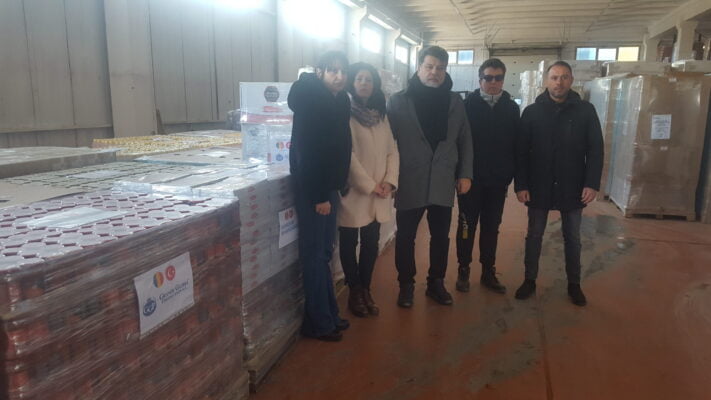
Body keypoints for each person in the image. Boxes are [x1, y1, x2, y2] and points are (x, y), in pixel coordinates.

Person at [387, 46, 473, 308]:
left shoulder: (454, 102)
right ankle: (406, 285)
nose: (434, 72)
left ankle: (436, 282)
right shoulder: (399, 101)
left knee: (440, 237)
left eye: (440, 68)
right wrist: (388, 177)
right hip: (409, 179)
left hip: (442, 180)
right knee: (405, 237)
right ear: (419, 67)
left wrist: (465, 174)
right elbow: (387, 144)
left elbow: (465, 140)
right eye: (429, 66)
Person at [514, 61, 604, 306]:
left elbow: (596, 150)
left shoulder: (585, 111)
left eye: (564, 77)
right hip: (539, 185)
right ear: (546, 81)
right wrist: (521, 185)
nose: (559, 82)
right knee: (534, 235)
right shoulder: (532, 112)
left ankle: (574, 284)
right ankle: (529, 280)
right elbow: (521, 153)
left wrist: (592, 183)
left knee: (572, 237)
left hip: (572, 185)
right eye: (554, 77)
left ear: (571, 81)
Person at [288, 51, 352, 341]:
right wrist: (319, 196)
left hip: (329, 187)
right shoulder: (310, 100)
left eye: (343, 71)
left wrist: (339, 182)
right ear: (320, 72)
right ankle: (318, 323)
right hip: (315, 190)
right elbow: (308, 153)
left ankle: (329, 315)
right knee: (315, 255)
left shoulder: (339, 100)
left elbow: (339, 146)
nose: (339, 76)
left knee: (325, 252)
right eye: (332, 71)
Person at [338, 62, 400, 318]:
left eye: (369, 80)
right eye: (359, 78)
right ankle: (354, 290)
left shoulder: (381, 116)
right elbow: (347, 155)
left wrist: (389, 181)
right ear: (352, 82)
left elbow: (392, 151)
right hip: (356, 192)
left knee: (371, 243)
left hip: (380, 192)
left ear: (375, 86)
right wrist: (369, 185)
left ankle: (365, 288)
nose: (364, 83)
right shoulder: (345, 114)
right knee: (349, 241)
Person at [456, 58, 520, 294]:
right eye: (488, 78)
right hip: (470, 180)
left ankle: (487, 271)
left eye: (498, 78)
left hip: (497, 181)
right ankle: (463, 269)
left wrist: (509, 174)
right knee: (466, 226)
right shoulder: (466, 106)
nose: (493, 83)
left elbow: (517, 144)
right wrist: (460, 174)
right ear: (480, 79)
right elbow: (457, 143)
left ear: (503, 79)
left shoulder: (511, 109)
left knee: (491, 227)